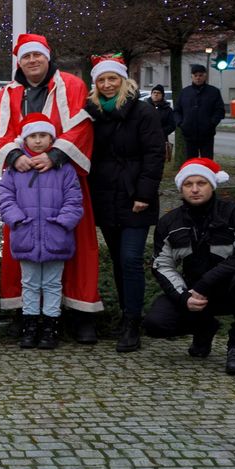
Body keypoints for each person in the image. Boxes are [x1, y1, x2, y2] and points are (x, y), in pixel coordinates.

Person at [0, 33, 103, 342]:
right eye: (26, 57)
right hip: (24, 186)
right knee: (25, 252)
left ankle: (79, 314)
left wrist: (55, 155)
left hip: (63, 180)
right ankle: (27, 314)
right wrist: (16, 156)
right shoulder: (8, 93)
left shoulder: (72, 86)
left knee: (73, 246)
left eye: (37, 56)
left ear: (47, 57)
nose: (32, 61)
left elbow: (81, 127)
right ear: (19, 61)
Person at [145, 158, 235, 375]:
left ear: (212, 185)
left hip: (229, 289)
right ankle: (204, 327)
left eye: (201, 183)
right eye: (188, 184)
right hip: (193, 294)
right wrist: (184, 297)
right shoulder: (169, 222)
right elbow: (162, 265)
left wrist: (206, 283)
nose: (194, 189)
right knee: (156, 323)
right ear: (181, 189)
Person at [83, 56, 164, 352]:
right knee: (117, 259)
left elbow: (154, 154)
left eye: (112, 79)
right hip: (105, 196)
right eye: (101, 80)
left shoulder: (143, 112)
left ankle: (133, 321)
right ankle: (124, 314)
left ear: (124, 81)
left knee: (130, 259)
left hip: (134, 197)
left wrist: (144, 193)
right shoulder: (91, 113)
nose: (107, 85)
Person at [0, 114, 85, 349]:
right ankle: (30, 325)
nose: (37, 141)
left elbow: (74, 200)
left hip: (56, 235)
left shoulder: (64, 169)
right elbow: (5, 198)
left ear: (51, 139)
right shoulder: (15, 170)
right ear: (25, 139)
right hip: (26, 234)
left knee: (53, 283)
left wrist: (62, 222)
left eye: (42, 136)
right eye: (33, 136)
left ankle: (50, 326)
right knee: (30, 283)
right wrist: (17, 219)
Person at [175, 64, 225, 159]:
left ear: (205, 76)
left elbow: (219, 110)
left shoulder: (213, 92)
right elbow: (177, 111)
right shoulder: (185, 92)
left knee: (207, 161)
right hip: (188, 134)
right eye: (195, 75)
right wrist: (181, 123)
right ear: (192, 76)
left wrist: (212, 123)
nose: (198, 78)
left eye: (200, 75)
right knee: (190, 162)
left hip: (207, 134)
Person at [148, 84, 176, 160]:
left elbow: (172, 125)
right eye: (154, 92)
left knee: (158, 161)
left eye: (158, 93)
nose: (156, 94)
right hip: (146, 139)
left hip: (161, 140)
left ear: (162, 95)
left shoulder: (167, 109)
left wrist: (161, 132)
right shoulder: (145, 108)